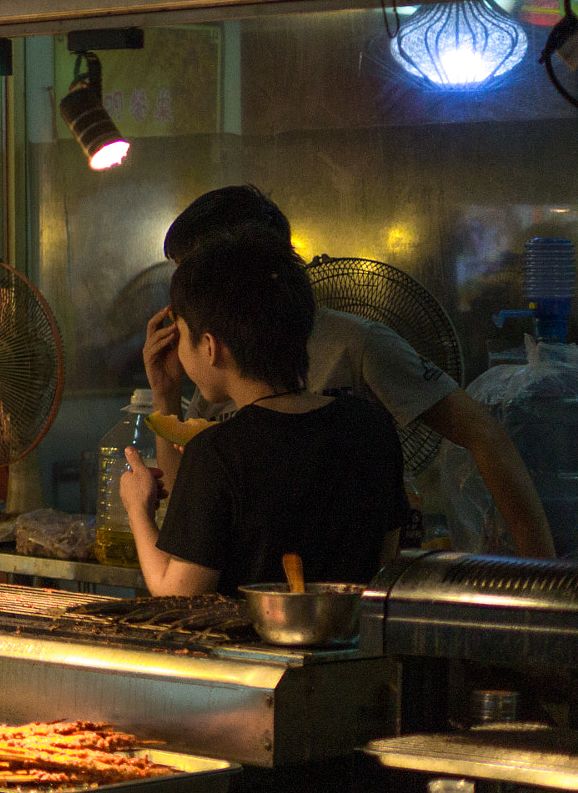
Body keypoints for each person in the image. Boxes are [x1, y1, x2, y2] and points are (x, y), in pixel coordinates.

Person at [144, 185, 554, 559]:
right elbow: (193, 511)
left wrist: (539, 575)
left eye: (195, 273)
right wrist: (165, 395)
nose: (185, 296)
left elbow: (484, 436)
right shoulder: (217, 362)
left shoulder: (357, 343)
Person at [121, 231, 410, 595]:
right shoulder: (371, 427)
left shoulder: (218, 450)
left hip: (249, 650)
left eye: (180, 336)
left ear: (210, 347)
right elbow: (387, 559)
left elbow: (177, 594)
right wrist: (166, 392)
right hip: (351, 644)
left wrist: (138, 509)